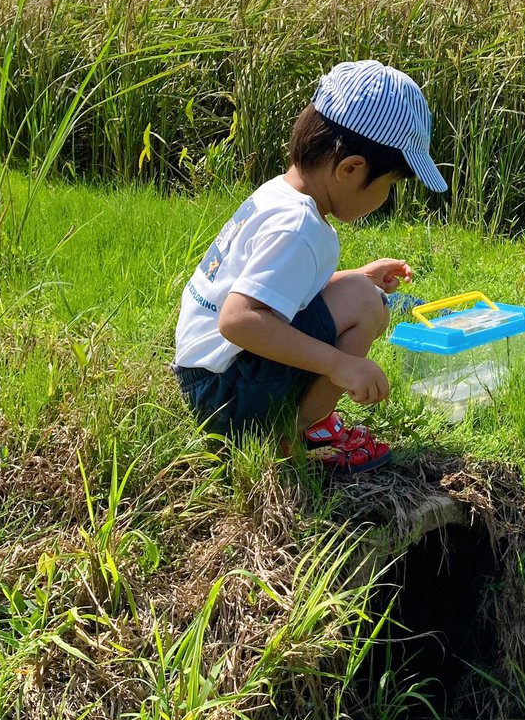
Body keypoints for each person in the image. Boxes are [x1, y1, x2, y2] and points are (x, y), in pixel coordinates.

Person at [172, 61, 447, 475]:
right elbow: (239, 319)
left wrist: (356, 276)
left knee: (358, 291)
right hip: (227, 398)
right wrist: (342, 365)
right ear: (351, 169)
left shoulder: (278, 196)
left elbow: (274, 292)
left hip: (206, 382)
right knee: (367, 305)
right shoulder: (298, 226)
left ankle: (298, 423)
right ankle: (299, 433)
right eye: (388, 185)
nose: (386, 198)